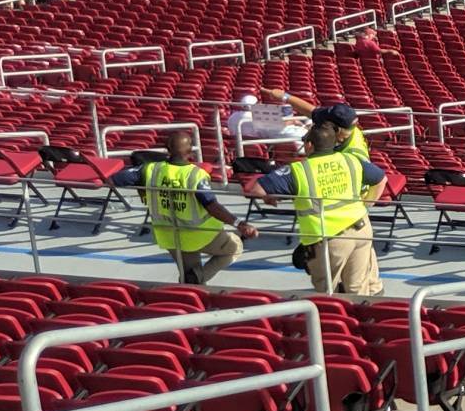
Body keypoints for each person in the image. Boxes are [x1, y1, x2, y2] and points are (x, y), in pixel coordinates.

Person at [245, 110, 386, 298]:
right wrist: (365, 206)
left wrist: (270, 197)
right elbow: (380, 179)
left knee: (329, 292)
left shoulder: (299, 170)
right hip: (362, 230)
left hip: (329, 238)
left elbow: (256, 189)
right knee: (357, 290)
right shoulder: (351, 160)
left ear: (309, 145)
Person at [117, 130, 257, 284]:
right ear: (190, 151)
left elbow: (116, 179)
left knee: (188, 275)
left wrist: (141, 187)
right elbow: (212, 206)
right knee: (235, 246)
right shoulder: (195, 175)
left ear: (167, 150)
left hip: (169, 235)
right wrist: (239, 223)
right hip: (201, 235)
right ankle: (199, 278)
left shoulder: (150, 170)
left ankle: (190, 290)